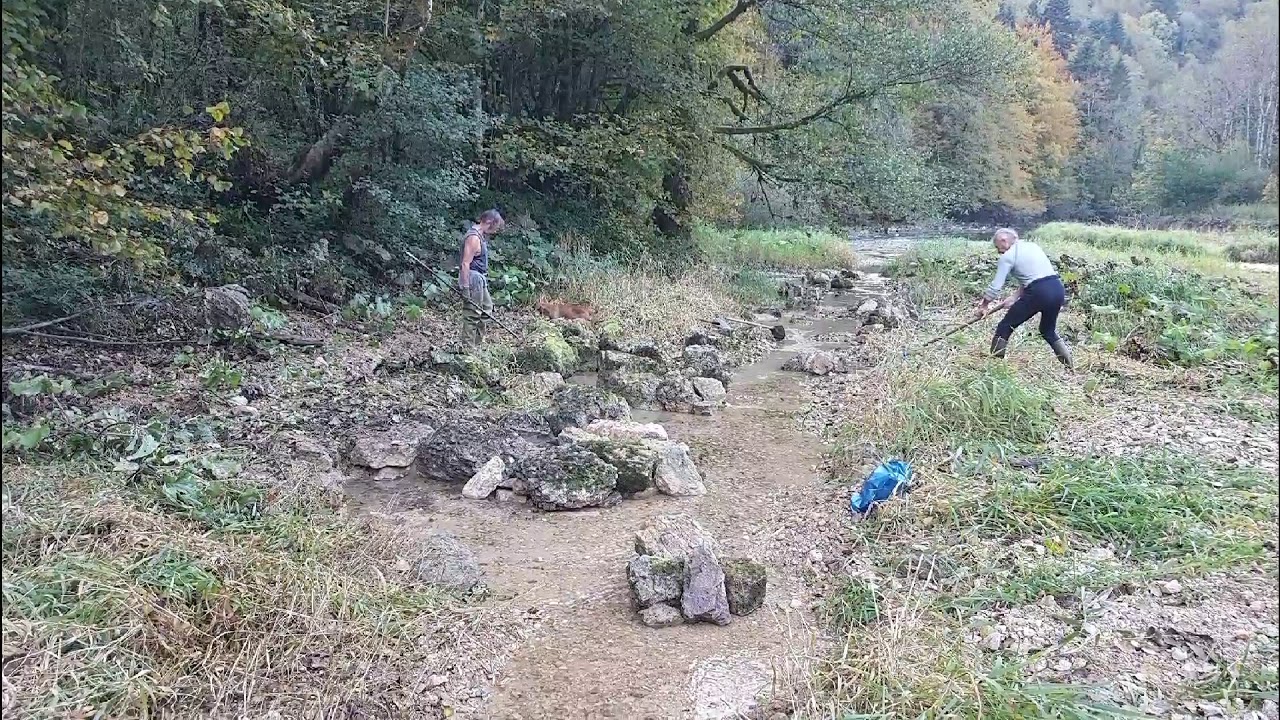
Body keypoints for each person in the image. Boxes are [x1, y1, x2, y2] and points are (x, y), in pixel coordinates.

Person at [973, 227, 1073, 369]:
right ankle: (1070, 366)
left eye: (998, 247)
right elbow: (1034, 276)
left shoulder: (1007, 257)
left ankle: (994, 367)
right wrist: (1014, 297)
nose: (998, 251)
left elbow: (995, 287)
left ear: (1004, 240)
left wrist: (984, 305)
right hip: (1057, 288)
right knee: (1047, 330)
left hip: (1038, 292)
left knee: (1005, 326)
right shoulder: (1033, 247)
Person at [458, 209, 504, 345]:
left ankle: (476, 344)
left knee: (486, 309)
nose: (496, 230)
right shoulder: (473, 238)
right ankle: (467, 348)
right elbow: (465, 263)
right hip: (472, 278)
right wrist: (465, 288)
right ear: (490, 222)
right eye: (496, 226)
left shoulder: (480, 235)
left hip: (480, 279)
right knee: (473, 313)